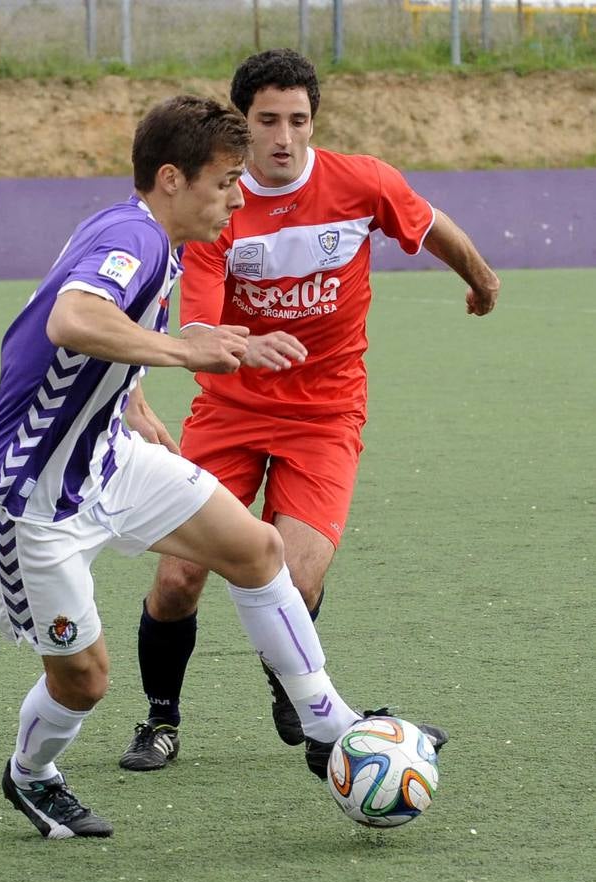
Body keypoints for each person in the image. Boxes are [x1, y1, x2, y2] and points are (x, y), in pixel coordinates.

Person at [0, 94, 408, 840]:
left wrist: (134, 402)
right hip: (33, 500)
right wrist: (186, 351)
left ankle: (329, 725)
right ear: (170, 179)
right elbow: (71, 319)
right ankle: (32, 773)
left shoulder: (151, 241)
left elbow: (99, 336)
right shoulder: (132, 237)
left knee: (256, 548)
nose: (238, 198)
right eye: (224, 181)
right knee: (83, 681)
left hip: (110, 460)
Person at [119, 49, 498, 773]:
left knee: (296, 577)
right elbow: (194, 328)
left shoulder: (360, 182)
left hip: (325, 414)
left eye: (297, 120)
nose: (284, 137)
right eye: (267, 121)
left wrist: (480, 278)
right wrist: (238, 348)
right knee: (175, 582)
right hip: (228, 412)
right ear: (242, 126)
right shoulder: (218, 205)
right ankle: (159, 719)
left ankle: (293, 691)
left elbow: (428, 222)